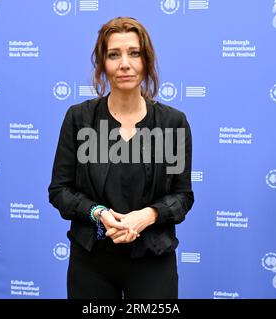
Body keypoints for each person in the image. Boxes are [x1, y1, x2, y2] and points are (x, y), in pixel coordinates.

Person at [48, 17, 194, 299]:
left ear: (147, 61)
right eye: (114, 55)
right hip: (91, 260)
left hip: (153, 258)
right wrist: (98, 213)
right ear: (102, 64)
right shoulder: (79, 119)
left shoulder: (172, 123)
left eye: (134, 53)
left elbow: (182, 196)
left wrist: (146, 216)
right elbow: (59, 191)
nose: (124, 64)